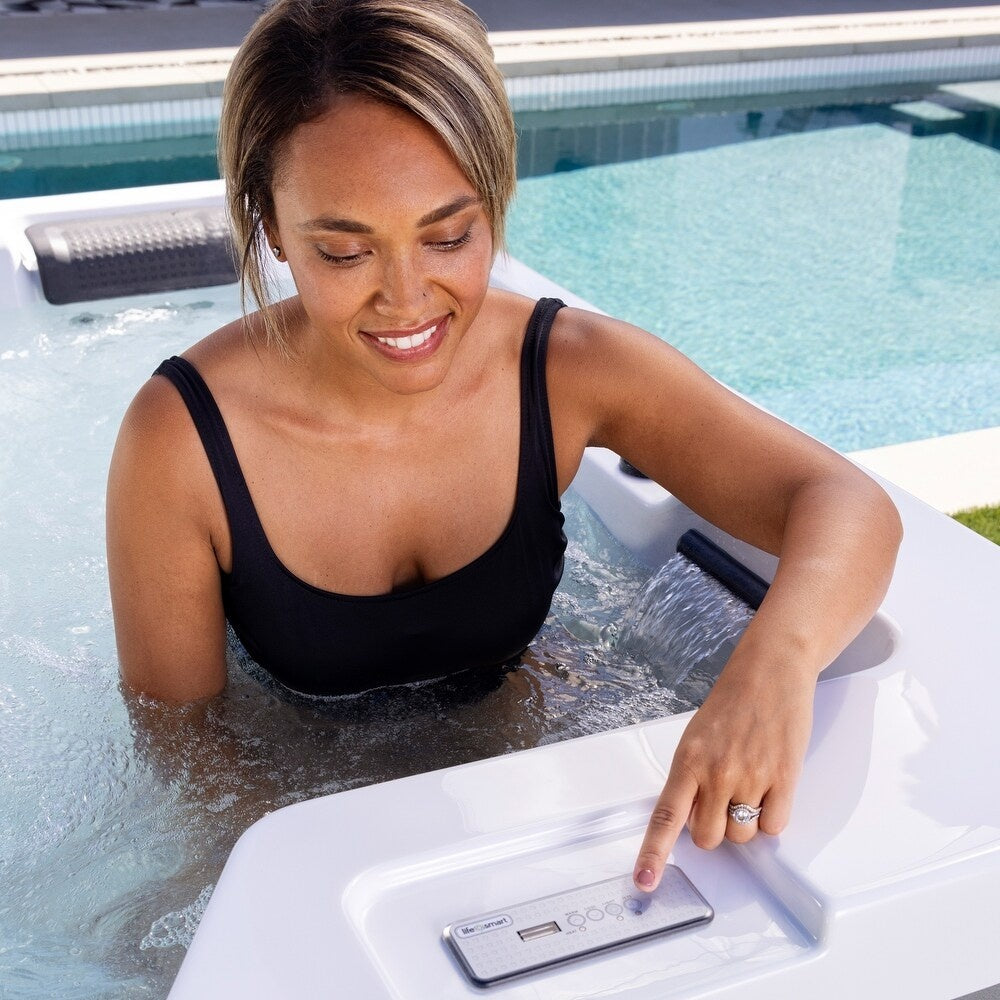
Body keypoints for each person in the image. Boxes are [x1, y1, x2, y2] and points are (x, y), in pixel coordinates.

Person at [105, 0, 902, 895]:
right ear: (270, 224)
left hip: (511, 744)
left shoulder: (567, 371)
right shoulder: (181, 442)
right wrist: (309, 885)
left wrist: (773, 669)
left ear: (497, 198)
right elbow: (184, 742)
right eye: (343, 252)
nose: (407, 299)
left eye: (448, 235)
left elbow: (844, 500)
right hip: (296, 797)